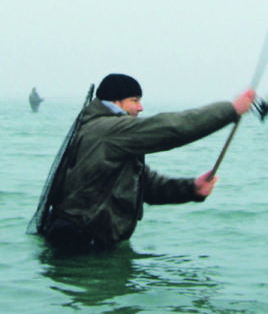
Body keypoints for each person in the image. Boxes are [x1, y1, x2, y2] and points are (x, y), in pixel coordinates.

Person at [33, 72, 255, 252]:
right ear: (115, 102)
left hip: (85, 244)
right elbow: (172, 128)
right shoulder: (108, 130)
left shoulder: (107, 132)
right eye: (135, 101)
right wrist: (230, 110)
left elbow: (145, 185)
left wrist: (190, 188)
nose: (140, 108)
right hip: (78, 246)